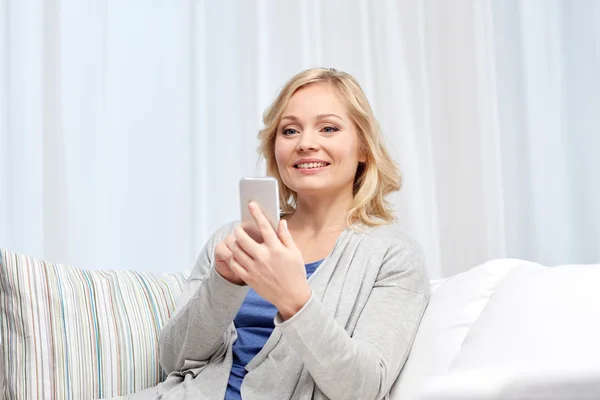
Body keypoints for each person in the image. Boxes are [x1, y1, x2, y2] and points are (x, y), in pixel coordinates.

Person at [127, 67, 430, 400]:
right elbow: (174, 359)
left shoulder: (393, 254)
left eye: (328, 128)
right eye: (290, 131)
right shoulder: (233, 238)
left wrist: (294, 299)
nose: (305, 143)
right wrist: (224, 283)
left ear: (363, 149)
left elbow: (363, 388)